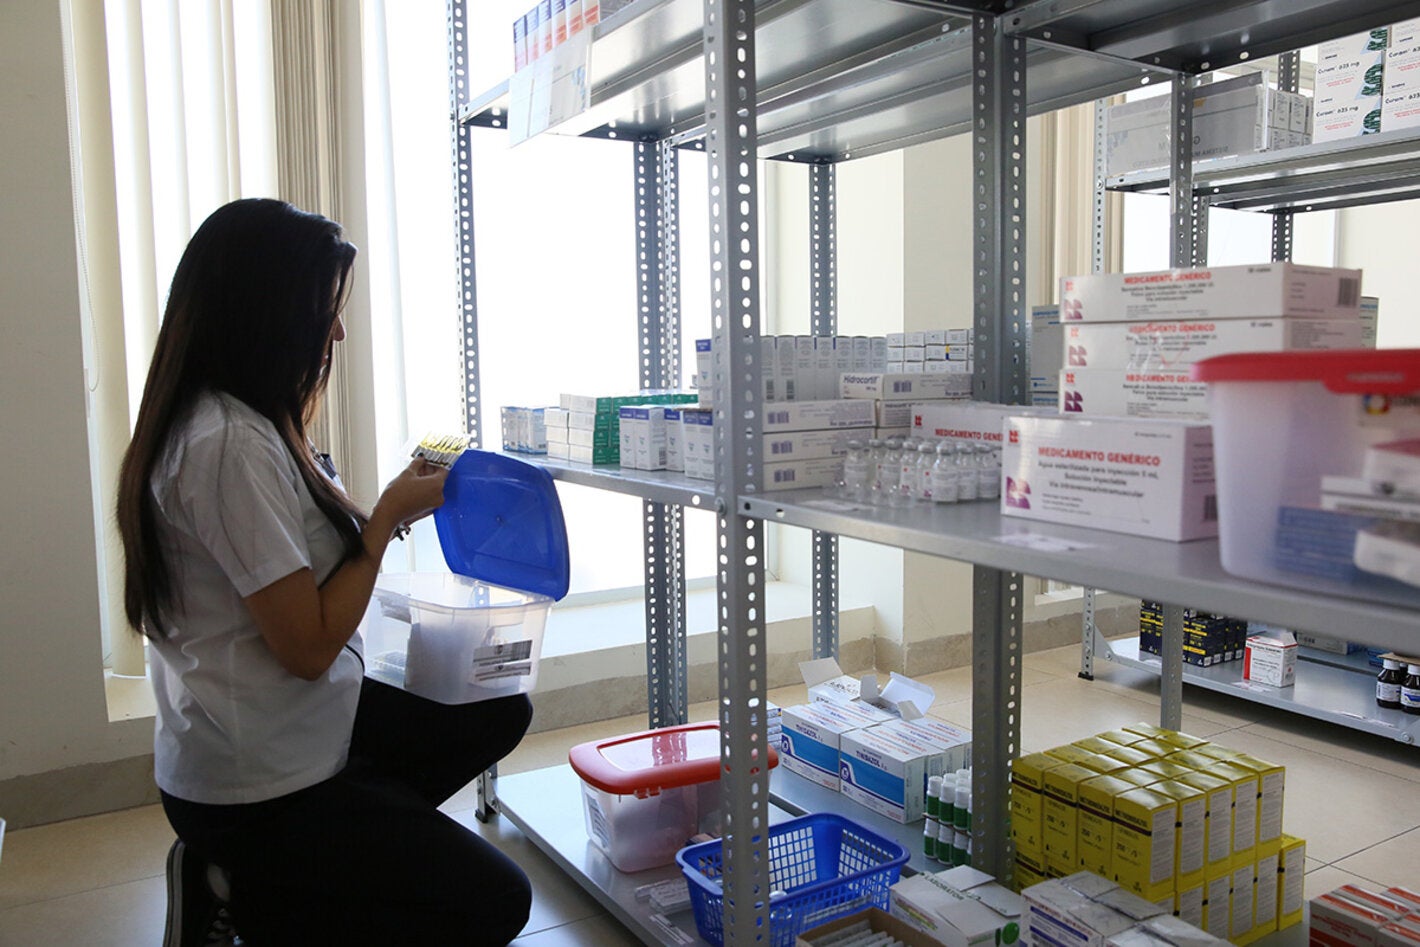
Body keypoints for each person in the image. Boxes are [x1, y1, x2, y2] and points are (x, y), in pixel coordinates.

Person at [116, 198, 533, 946]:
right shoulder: (226, 445)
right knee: (496, 901)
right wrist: (384, 518)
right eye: (324, 309)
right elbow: (307, 648)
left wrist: (391, 512)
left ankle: (285, 874)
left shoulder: (253, 418)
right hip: (257, 783)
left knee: (497, 708)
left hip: (293, 726)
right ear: (265, 311)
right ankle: (251, 885)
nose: (336, 331)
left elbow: (305, 564)